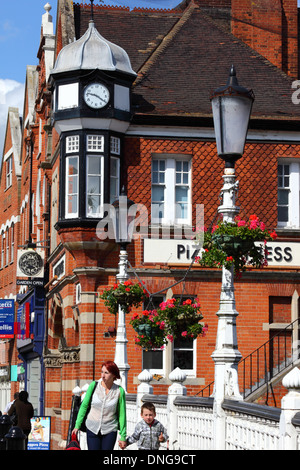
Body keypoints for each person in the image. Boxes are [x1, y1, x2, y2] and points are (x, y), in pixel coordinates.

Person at [73, 360, 126, 450]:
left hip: (110, 429)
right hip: (92, 427)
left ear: (113, 375)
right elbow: (84, 406)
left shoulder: (119, 391)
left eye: (106, 373)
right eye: (102, 372)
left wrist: (123, 436)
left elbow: (122, 414)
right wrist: (77, 425)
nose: (102, 375)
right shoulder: (94, 386)